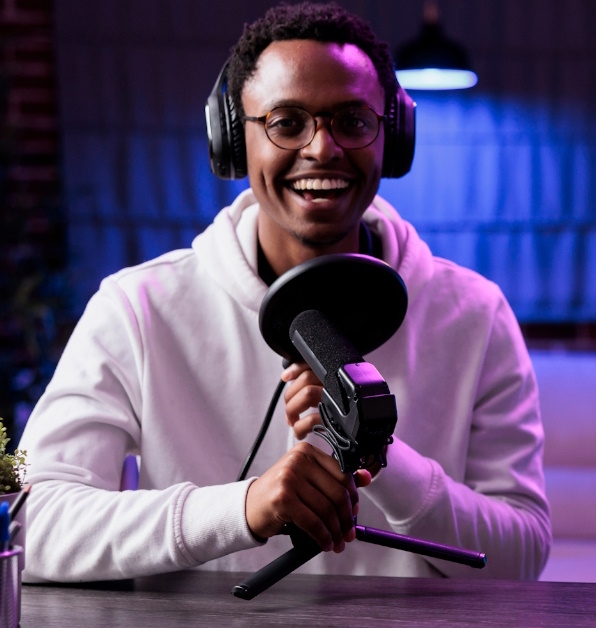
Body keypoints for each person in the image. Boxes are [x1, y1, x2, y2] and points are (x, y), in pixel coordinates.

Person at [19, 2, 550, 582]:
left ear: (391, 137)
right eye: (286, 122)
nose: (322, 149)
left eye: (352, 121)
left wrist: (378, 451)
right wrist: (241, 508)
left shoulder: (475, 314)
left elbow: (521, 559)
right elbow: (29, 526)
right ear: (230, 140)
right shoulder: (137, 308)